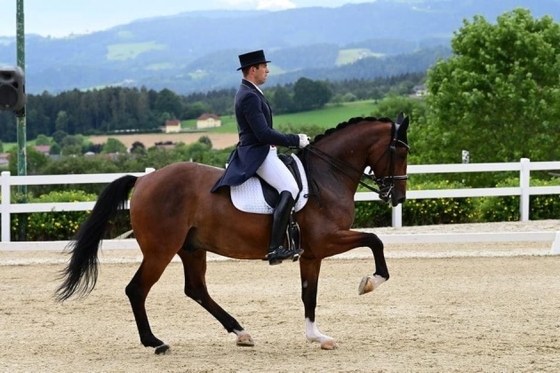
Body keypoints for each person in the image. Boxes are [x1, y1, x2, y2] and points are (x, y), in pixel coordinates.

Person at [211, 49, 310, 265]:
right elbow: (263, 133)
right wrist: (295, 140)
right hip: (258, 154)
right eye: (264, 67)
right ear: (253, 69)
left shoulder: (251, 91)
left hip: (265, 150)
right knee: (291, 189)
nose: (268, 70)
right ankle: (275, 248)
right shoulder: (248, 96)